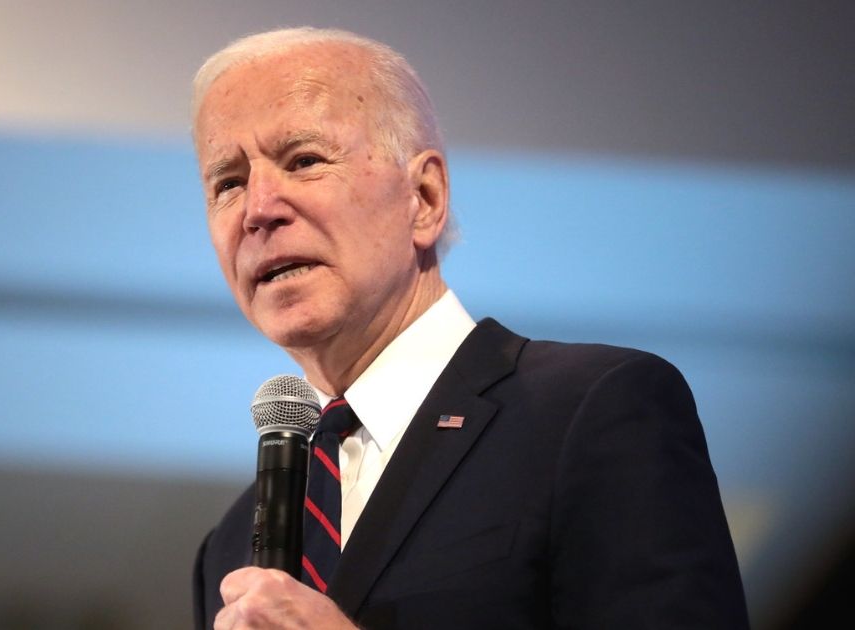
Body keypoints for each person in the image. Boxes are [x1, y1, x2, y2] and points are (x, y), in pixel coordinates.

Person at [190, 27, 749, 629]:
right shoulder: (227, 551)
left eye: (304, 161)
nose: (258, 209)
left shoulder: (593, 409)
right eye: (228, 183)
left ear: (424, 197)